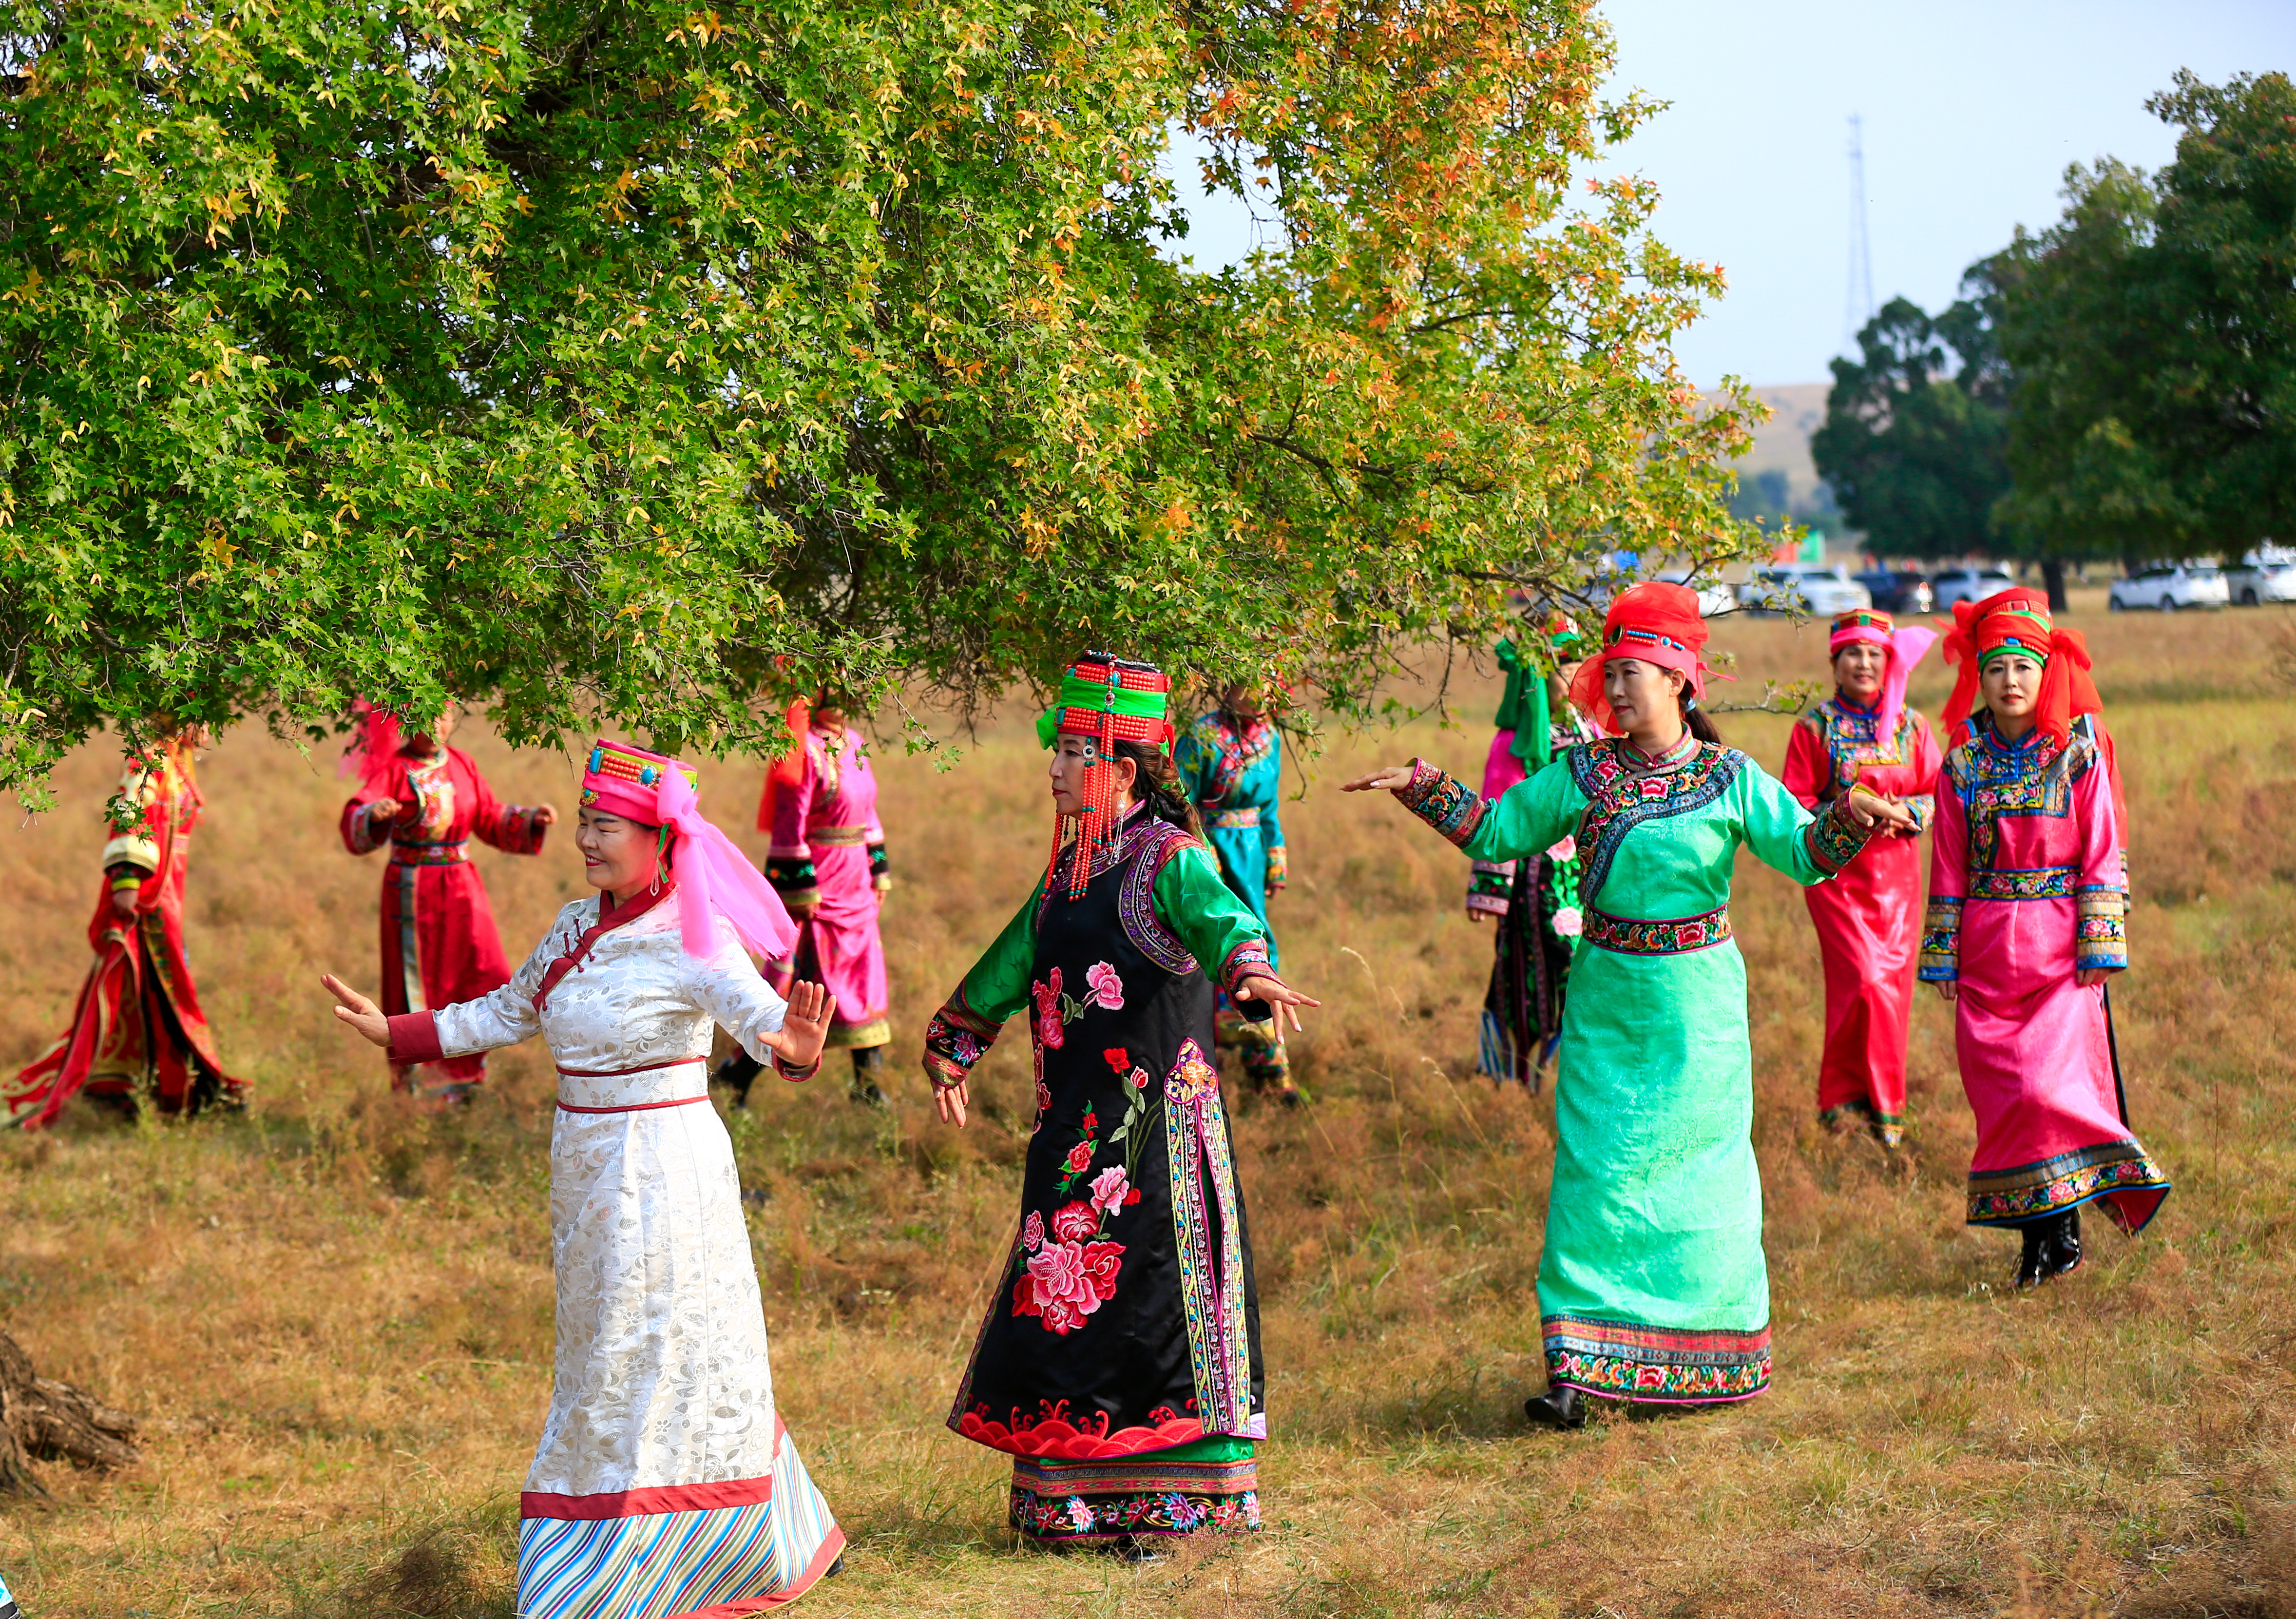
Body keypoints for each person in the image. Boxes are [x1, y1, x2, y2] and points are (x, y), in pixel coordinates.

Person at [1344, 583, 1910, 1429]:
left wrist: (1849, 814)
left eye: (1632, 673)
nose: (1614, 690)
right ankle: (1576, 1368)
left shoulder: (1729, 777)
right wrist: (1424, 786)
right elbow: (1500, 830)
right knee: (1596, 1174)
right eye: (1609, 675)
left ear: (1681, 679)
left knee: (1700, 1181)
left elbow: (1800, 853)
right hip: (1606, 997)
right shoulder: (1581, 772)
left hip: (1698, 1008)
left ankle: (1704, 1354)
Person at [323, 740, 846, 1615]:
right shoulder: (573, 923)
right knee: (601, 1349)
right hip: (585, 1170)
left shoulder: (697, 932)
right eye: (588, 822)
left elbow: (766, 1025)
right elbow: (505, 1009)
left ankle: (637, 1562)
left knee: (661, 1350)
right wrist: (398, 1033)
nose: (587, 839)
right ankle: (676, 1543)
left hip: (667, 1169)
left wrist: (794, 1046)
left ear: (657, 838)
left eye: (605, 825)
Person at [920, 654, 1319, 1558]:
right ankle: (1070, 1507)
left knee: (1156, 1314)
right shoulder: (1067, 872)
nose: (1053, 769)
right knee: (1065, 1311)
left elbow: (1229, 924)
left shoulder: (1170, 861)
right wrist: (953, 1044)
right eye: (1055, 751)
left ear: (1122, 770)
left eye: (1069, 752)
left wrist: (1252, 975)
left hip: (1159, 1145)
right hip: (1072, 1141)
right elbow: (1007, 966)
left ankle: (1171, 1510)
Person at [1921, 588, 2170, 1288]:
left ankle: (2061, 1230)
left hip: (2059, 951)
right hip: (1986, 953)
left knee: (2042, 1087)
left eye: (2024, 668)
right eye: (1996, 668)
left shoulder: (2078, 755)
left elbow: (2099, 846)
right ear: (1981, 676)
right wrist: (1943, 956)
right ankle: (2043, 1238)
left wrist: (2100, 943)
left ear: (2046, 671)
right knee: (2002, 1096)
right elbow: (1947, 861)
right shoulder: (1962, 763)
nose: (2010, 682)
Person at [6, 724, 245, 1128]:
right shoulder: (148, 756)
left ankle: (145, 1088)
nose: (208, 728)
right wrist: (127, 881)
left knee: (151, 990)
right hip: (149, 897)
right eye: (201, 717)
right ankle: (173, 1089)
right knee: (158, 989)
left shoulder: (179, 758)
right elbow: (128, 814)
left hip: (171, 895)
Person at [1779, 610, 1942, 1146]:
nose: (1864, 663)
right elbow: (1794, 804)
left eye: (1874, 653)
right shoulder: (1813, 728)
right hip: (1837, 880)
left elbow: (1940, 794)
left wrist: (1902, 810)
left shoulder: (1913, 727)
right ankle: (1846, 1106)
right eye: (1853, 653)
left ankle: (1881, 1114)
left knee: (1889, 994)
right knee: (1862, 985)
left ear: (1888, 661)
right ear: (1835, 663)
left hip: (1896, 881)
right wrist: (1849, 812)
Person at [338, 702, 555, 1102]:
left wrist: (529, 820)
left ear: (454, 721)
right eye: (423, 715)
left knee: (483, 971)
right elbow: (358, 814)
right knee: (417, 984)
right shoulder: (393, 766)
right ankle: (421, 1085)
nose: (434, 724)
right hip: (411, 889)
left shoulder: (463, 763)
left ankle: (466, 1073)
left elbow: (488, 815)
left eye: (442, 715)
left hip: (462, 885)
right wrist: (375, 814)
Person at [717, 696, 894, 1107]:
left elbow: (869, 815)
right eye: (832, 692)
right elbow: (788, 826)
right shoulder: (802, 751)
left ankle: (868, 1087)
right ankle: (740, 1079)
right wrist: (800, 892)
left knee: (863, 983)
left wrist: (879, 871)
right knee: (799, 990)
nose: (844, 700)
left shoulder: (855, 742)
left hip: (857, 889)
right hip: (817, 889)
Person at [1466, 617, 1602, 1088]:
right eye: (1563, 665)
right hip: (1532, 879)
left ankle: (1579, 1069)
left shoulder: (1594, 731)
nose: (1575, 674)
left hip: (1588, 876)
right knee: (1537, 966)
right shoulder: (1517, 741)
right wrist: (1489, 886)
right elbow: (1496, 818)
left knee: (1589, 965)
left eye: (1579, 663)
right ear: (1537, 674)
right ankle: (1528, 1071)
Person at [1172, 683, 1297, 1099]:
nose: (1258, 693)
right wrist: (1203, 851)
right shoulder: (1202, 735)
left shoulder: (1271, 737)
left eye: (1267, 683)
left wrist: (1275, 856)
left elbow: (1269, 807)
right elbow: (1180, 799)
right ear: (1226, 685)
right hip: (1212, 852)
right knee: (1211, 947)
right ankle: (1208, 1065)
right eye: (1247, 683)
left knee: (1257, 944)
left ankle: (1266, 1064)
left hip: (1252, 854)